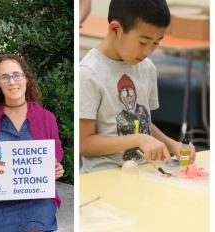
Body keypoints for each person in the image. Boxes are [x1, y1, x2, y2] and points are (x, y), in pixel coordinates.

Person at [79, 0, 196, 173]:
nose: (148, 51)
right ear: (115, 29)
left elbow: (144, 123)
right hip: (104, 177)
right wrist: (137, 139)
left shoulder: (147, 68)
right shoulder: (88, 73)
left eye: (156, 43)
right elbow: (84, 143)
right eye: (143, 42)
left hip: (145, 172)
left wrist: (172, 145)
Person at [0, 54, 64, 231]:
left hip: (38, 199)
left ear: (26, 78)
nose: (12, 82)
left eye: (16, 75)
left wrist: (56, 167)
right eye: (5, 77)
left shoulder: (46, 118)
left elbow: (55, 154)